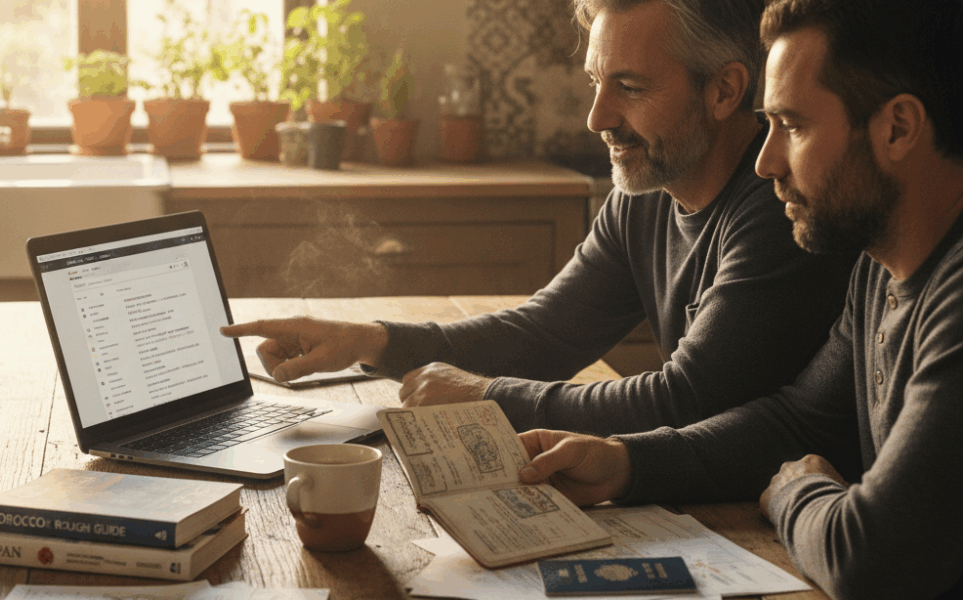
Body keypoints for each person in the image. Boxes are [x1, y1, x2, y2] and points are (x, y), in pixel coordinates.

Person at [221, 0, 855, 437]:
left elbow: (685, 401)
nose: (598, 118)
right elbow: (547, 333)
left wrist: (488, 397)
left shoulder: (783, 205)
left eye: (630, 88)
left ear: (723, 90)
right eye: (596, 82)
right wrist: (372, 341)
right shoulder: (646, 191)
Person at [516, 0, 963, 598]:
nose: (766, 160)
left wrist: (793, 490)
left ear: (899, 127)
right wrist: (624, 463)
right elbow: (797, 421)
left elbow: (872, 560)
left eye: (794, 126)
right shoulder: (878, 269)